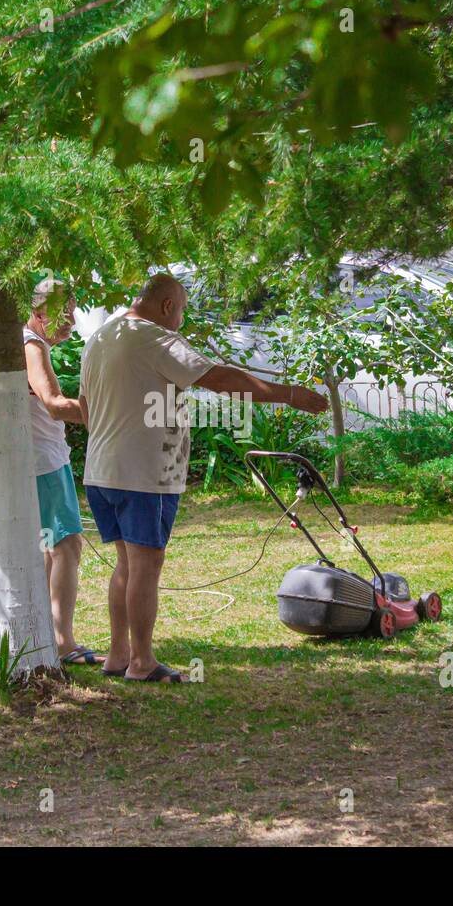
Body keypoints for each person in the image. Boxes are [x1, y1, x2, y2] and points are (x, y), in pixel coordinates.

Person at [79, 272, 328, 682]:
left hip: (101, 469)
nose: (181, 322)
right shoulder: (155, 337)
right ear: (166, 306)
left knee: (126, 563)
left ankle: (117, 655)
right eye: (181, 312)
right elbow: (218, 377)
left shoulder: (100, 338)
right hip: (143, 474)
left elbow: (86, 408)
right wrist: (289, 394)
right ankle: (141, 661)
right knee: (146, 563)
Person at [23, 280, 97, 666]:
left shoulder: (33, 343)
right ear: (38, 313)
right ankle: (64, 642)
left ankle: (49, 635)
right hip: (45, 463)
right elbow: (53, 404)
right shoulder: (32, 345)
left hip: (45, 460)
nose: (71, 321)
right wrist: (110, 412)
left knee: (54, 549)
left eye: (73, 310)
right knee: (67, 545)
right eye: (62, 313)